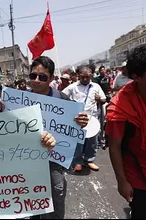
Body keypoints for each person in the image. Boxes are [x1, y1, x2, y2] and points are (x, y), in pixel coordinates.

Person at [26, 56, 88, 219]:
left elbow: (75, 126)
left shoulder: (62, 99)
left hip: (55, 161)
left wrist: (81, 122)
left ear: (51, 78)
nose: (37, 80)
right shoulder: (20, 100)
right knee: (32, 199)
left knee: (56, 194)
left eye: (42, 77)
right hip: (27, 161)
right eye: (33, 76)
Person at [106, 43, 146, 219]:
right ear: (137, 77)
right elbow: (115, 146)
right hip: (139, 176)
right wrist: (122, 181)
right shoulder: (121, 107)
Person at [63, 65, 106, 172]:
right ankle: (78, 161)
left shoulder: (96, 86)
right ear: (78, 76)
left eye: (88, 77)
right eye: (83, 77)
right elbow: (62, 95)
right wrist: (70, 103)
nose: (85, 79)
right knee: (78, 141)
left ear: (91, 75)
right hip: (78, 119)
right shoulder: (73, 87)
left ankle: (89, 160)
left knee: (92, 141)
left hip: (92, 119)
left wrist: (99, 98)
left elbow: (104, 99)